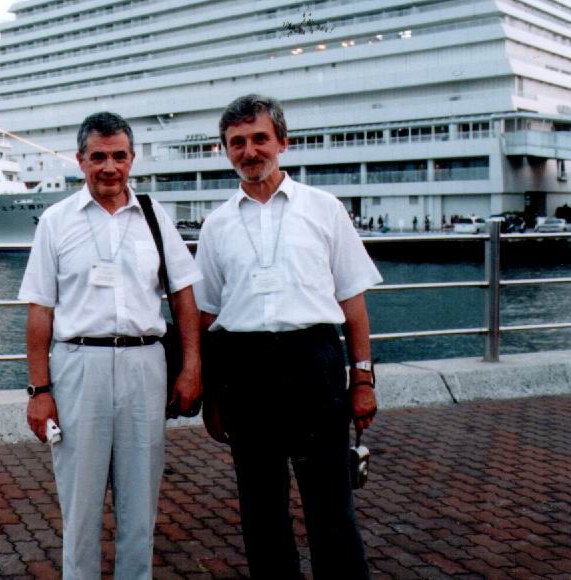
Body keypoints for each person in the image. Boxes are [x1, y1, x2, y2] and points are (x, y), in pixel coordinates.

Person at [195, 94, 381, 579]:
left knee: (331, 505)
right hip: (245, 369)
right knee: (260, 509)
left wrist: (362, 379)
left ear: (283, 141)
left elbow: (353, 300)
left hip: (313, 361)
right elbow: (208, 316)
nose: (249, 151)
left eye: (259, 138)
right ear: (226, 150)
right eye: (237, 142)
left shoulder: (324, 209)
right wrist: (212, 395)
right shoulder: (216, 226)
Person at [19, 111, 202, 578]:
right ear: (80, 160)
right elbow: (40, 311)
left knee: (141, 505)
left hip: (145, 363)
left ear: (132, 159)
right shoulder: (56, 222)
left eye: (119, 156)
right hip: (81, 365)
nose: (109, 167)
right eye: (97, 156)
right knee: (79, 508)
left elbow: (183, 295)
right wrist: (40, 392)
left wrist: (191, 367)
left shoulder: (155, 218)